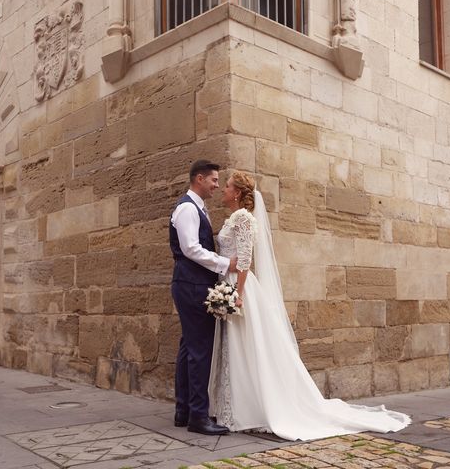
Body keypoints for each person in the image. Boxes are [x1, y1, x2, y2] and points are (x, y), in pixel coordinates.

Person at [209, 171, 411, 441]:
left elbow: (245, 259)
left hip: (238, 287)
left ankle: (248, 409)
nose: (222, 189)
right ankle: (231, 408)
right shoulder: (234, 218)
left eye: (227, 186)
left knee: (243, 347)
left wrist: (238, 294)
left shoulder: (244, 218)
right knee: (234, 348)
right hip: (227, 281)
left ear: (237, 193)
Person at [169, 160, 237, 436]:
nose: (217, 185)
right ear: (199, 178)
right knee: (199, 351)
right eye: (214, 180)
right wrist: (225, 264)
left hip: (191, 284)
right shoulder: (188, 208)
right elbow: (191, 249)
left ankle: (183, 410)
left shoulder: (196, 208)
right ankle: (198, 416)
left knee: (189, 348)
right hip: (192, 285)